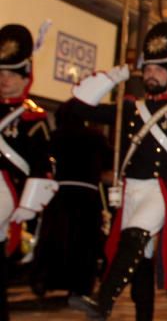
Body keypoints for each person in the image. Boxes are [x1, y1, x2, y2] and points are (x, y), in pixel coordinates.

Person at [68, 22, 167, 321]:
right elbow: (77, 108)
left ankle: (102, 301)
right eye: (148, 68)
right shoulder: (127, 108)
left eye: (160, 69)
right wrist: (111, 79)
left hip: (162, 191)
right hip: (131, 190)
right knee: (140, 260)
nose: (153, 74)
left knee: (132, 239)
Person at [0, 24, 57, 321]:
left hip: (9, 190)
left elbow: (41, 166)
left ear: (25, 78)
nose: (4, 79)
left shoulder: (32, 119)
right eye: (1, 73)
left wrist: (30, 204)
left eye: (11, 74)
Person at [32, 104, 111, 300]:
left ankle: (47, 278)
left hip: (61, 193)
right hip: (88, 195)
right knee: (84, 242)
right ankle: (80, 284)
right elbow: (108, 167)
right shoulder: (96, 138)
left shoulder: (56, 136)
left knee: (55, 238)